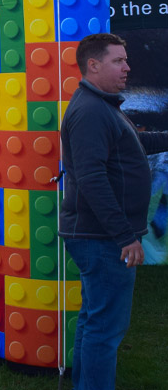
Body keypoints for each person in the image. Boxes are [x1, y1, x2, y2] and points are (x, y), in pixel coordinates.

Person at [58, 33, 168, 390]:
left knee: (95, 321)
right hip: (102, 238)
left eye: (125, 60)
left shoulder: (103, 105)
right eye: (118, 60)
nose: (127, 67)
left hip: (101, 236)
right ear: (93, 65)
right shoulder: (91, 111)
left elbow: (138, 144)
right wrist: (125, 237)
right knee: (105, 330)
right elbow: (91, 179)